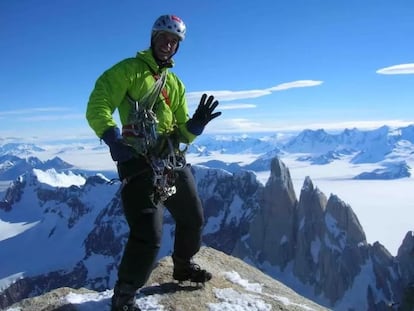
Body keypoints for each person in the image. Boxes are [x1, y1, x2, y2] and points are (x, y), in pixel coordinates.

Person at [86, 14, 221, 311]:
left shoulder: (175, 84)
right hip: (136, 161)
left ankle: (183, 265)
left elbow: (181, 131)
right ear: (153, 38)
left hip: (170, 159)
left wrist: (196, 126)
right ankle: (124, 296)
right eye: (164, 38)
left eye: (174, 41)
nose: (168, 45)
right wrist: (112, 138)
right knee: (148, 233)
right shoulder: (129, 71)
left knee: (193, 217)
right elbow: (99, 103)